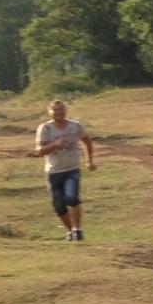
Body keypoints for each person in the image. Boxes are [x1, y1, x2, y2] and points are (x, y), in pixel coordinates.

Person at [33, 99, 96, 241]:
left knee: (72, 198)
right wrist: (55, 144)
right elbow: (39, 151)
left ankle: (78, 230)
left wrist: (89, 160)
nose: (59, 112)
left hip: (72, 169)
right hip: (53, 172)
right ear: (49, 112)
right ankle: (70, 231)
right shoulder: (45, 128)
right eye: (55, 110)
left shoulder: (75, 126)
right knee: (59, 206)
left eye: (61, 109)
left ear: (66, 110)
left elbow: (87, 141)